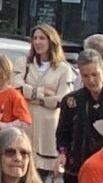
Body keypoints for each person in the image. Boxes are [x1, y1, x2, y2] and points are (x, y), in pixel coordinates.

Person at [57, 54, 103, 183]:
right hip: (76, 167)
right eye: (86, 76)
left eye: (95, 74)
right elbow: (62, 132)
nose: (91, 80)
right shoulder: (71, 101)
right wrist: (62, 153)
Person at [18, 26, 77, 170]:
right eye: (35, 38)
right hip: (25, 126)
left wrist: (30, 95)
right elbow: (16, 88)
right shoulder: (24, 63)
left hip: (48, 132)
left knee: (41, 179)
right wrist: (41, 92)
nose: (37, 42)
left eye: (42, 38)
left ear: (52, 41)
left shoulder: (64, 69)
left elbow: (61, 100)